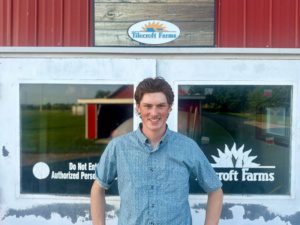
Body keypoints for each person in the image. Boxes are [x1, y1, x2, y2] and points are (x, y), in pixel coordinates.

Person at [90, 77, 223, 225]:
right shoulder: (118, 147)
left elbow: (215, 190)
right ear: (138, 108)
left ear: (169, 108)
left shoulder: (187, 147)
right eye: (148, 106)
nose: (154, 113)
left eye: (160, 106)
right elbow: (98, 189)